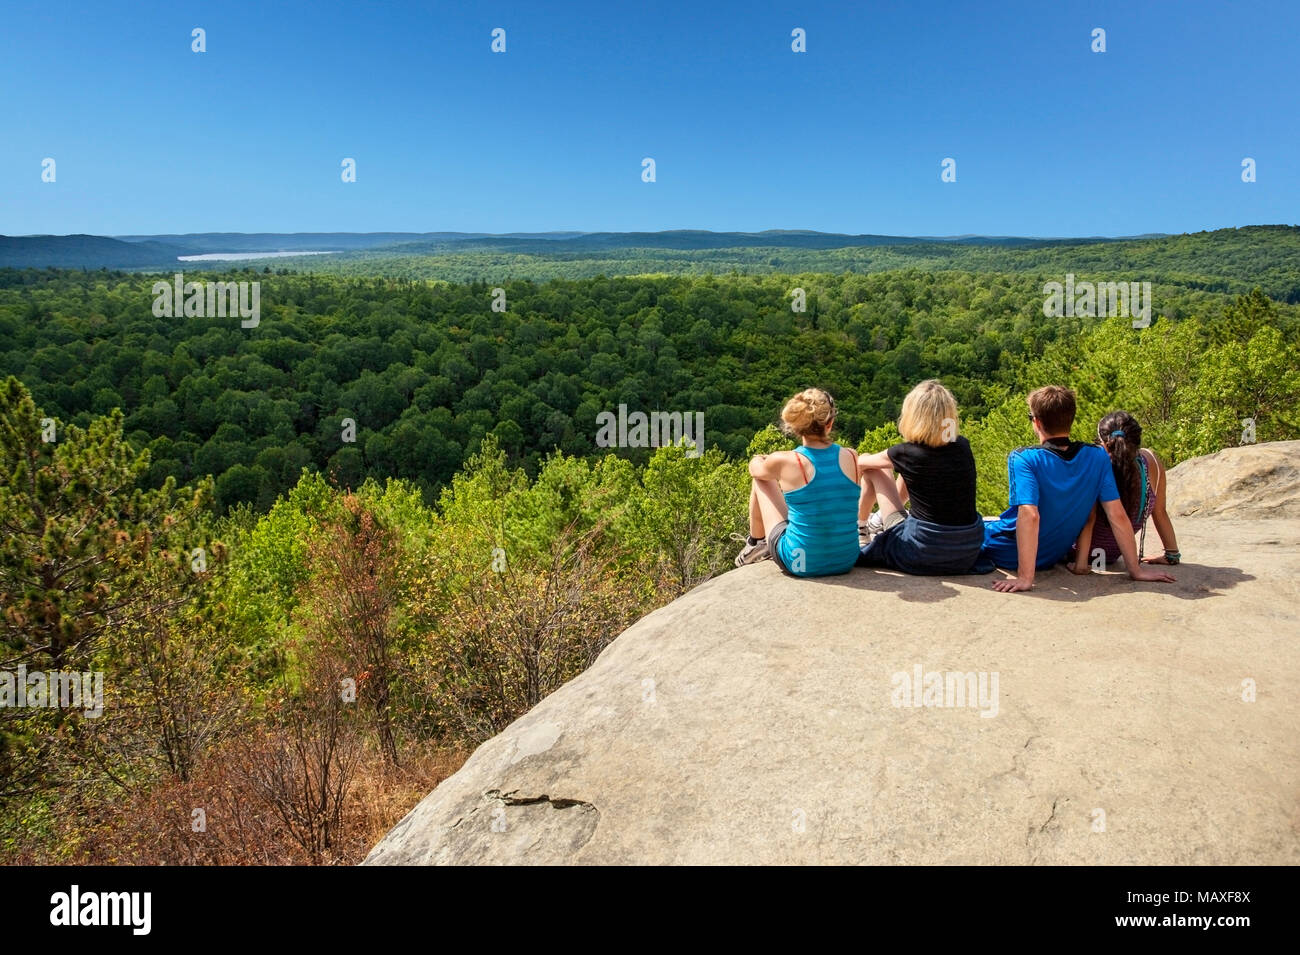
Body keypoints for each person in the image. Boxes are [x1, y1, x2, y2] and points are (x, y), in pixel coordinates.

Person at [979, 385, 1176, 593]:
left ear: (1036, 422)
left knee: (972, 525)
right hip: (1053, 554)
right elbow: (1117, 515)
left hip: (1007, 550)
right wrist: (1135, 570)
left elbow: (1030, 516)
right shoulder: (1097, 456)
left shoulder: (1024, 459)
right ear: (1071, 419)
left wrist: (1025, 578)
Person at [855, 380, 987, 574]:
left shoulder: (907, 453)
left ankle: (860, 527)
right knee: (909, 471)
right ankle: (881, 519)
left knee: (874, 466)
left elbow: (860, 464)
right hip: (966, 552)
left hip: (923, 551)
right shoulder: (962, 446)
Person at [734, 388, 861, 577]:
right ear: (830, 423)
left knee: (761, 480)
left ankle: (756, 543)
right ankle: (759, 543)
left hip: (801, 563)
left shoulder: (786, 461)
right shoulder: (851, 456)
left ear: (795, 427)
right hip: (846, 560)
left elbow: (755, 470)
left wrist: (760, 459)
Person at [1068, 411, 1182, 572]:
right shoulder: (1152, 461)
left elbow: (1089, 519)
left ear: (1103, 441)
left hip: (1077, 553)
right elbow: (1160, 512)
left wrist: (1080, 565)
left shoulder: (1096, 465)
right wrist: (1172, 554)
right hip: (1116, 552)